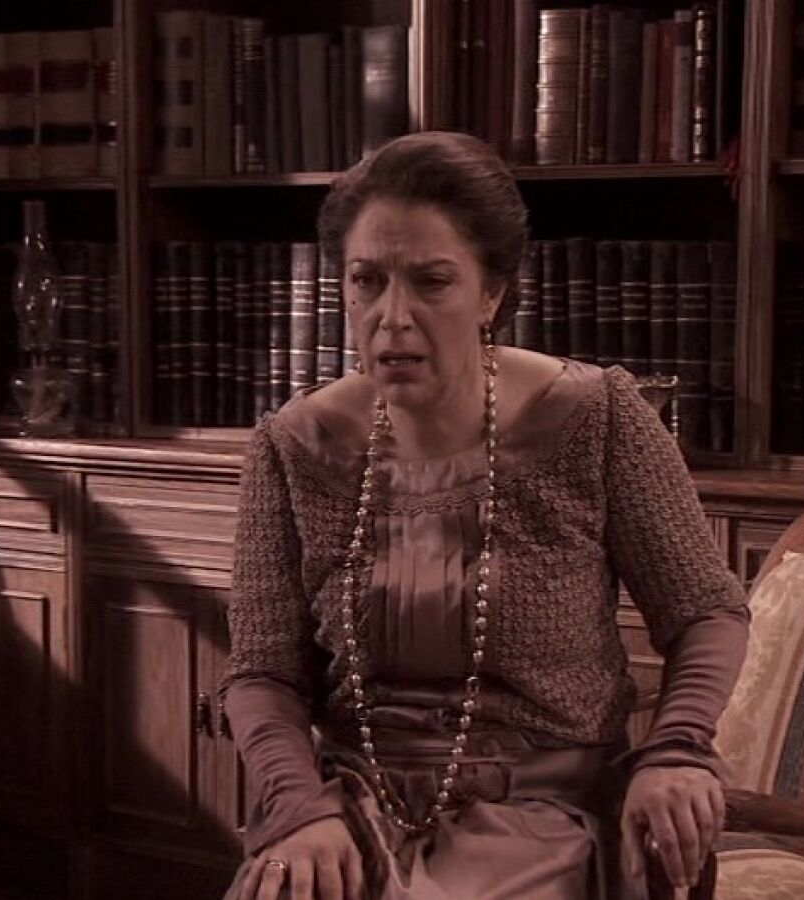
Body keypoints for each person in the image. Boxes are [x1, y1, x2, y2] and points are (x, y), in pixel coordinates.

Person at [219, 131, 749, 900]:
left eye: (430, 282)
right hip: (351, 810)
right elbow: (262, 672)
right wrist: (298, 808)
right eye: (367, 281)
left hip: (541, 812)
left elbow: (704, 611)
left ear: (491, 294)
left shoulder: (595, 418)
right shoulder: (293, 445)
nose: (392, 316)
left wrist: (675, 749)